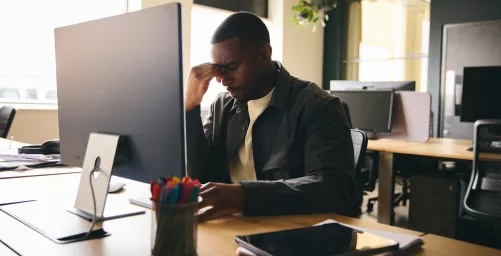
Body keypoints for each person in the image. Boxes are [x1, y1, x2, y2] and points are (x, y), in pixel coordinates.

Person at [185, 12, 358, 222]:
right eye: (219, 71)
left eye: (232, 67)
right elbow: (199, 176)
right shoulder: (223, 106)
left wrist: (244, 196)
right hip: (231, 226)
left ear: (265, 53)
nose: (223, 80)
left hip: (290, 232)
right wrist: (191, 108)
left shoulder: (317, 105)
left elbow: (334, 188)